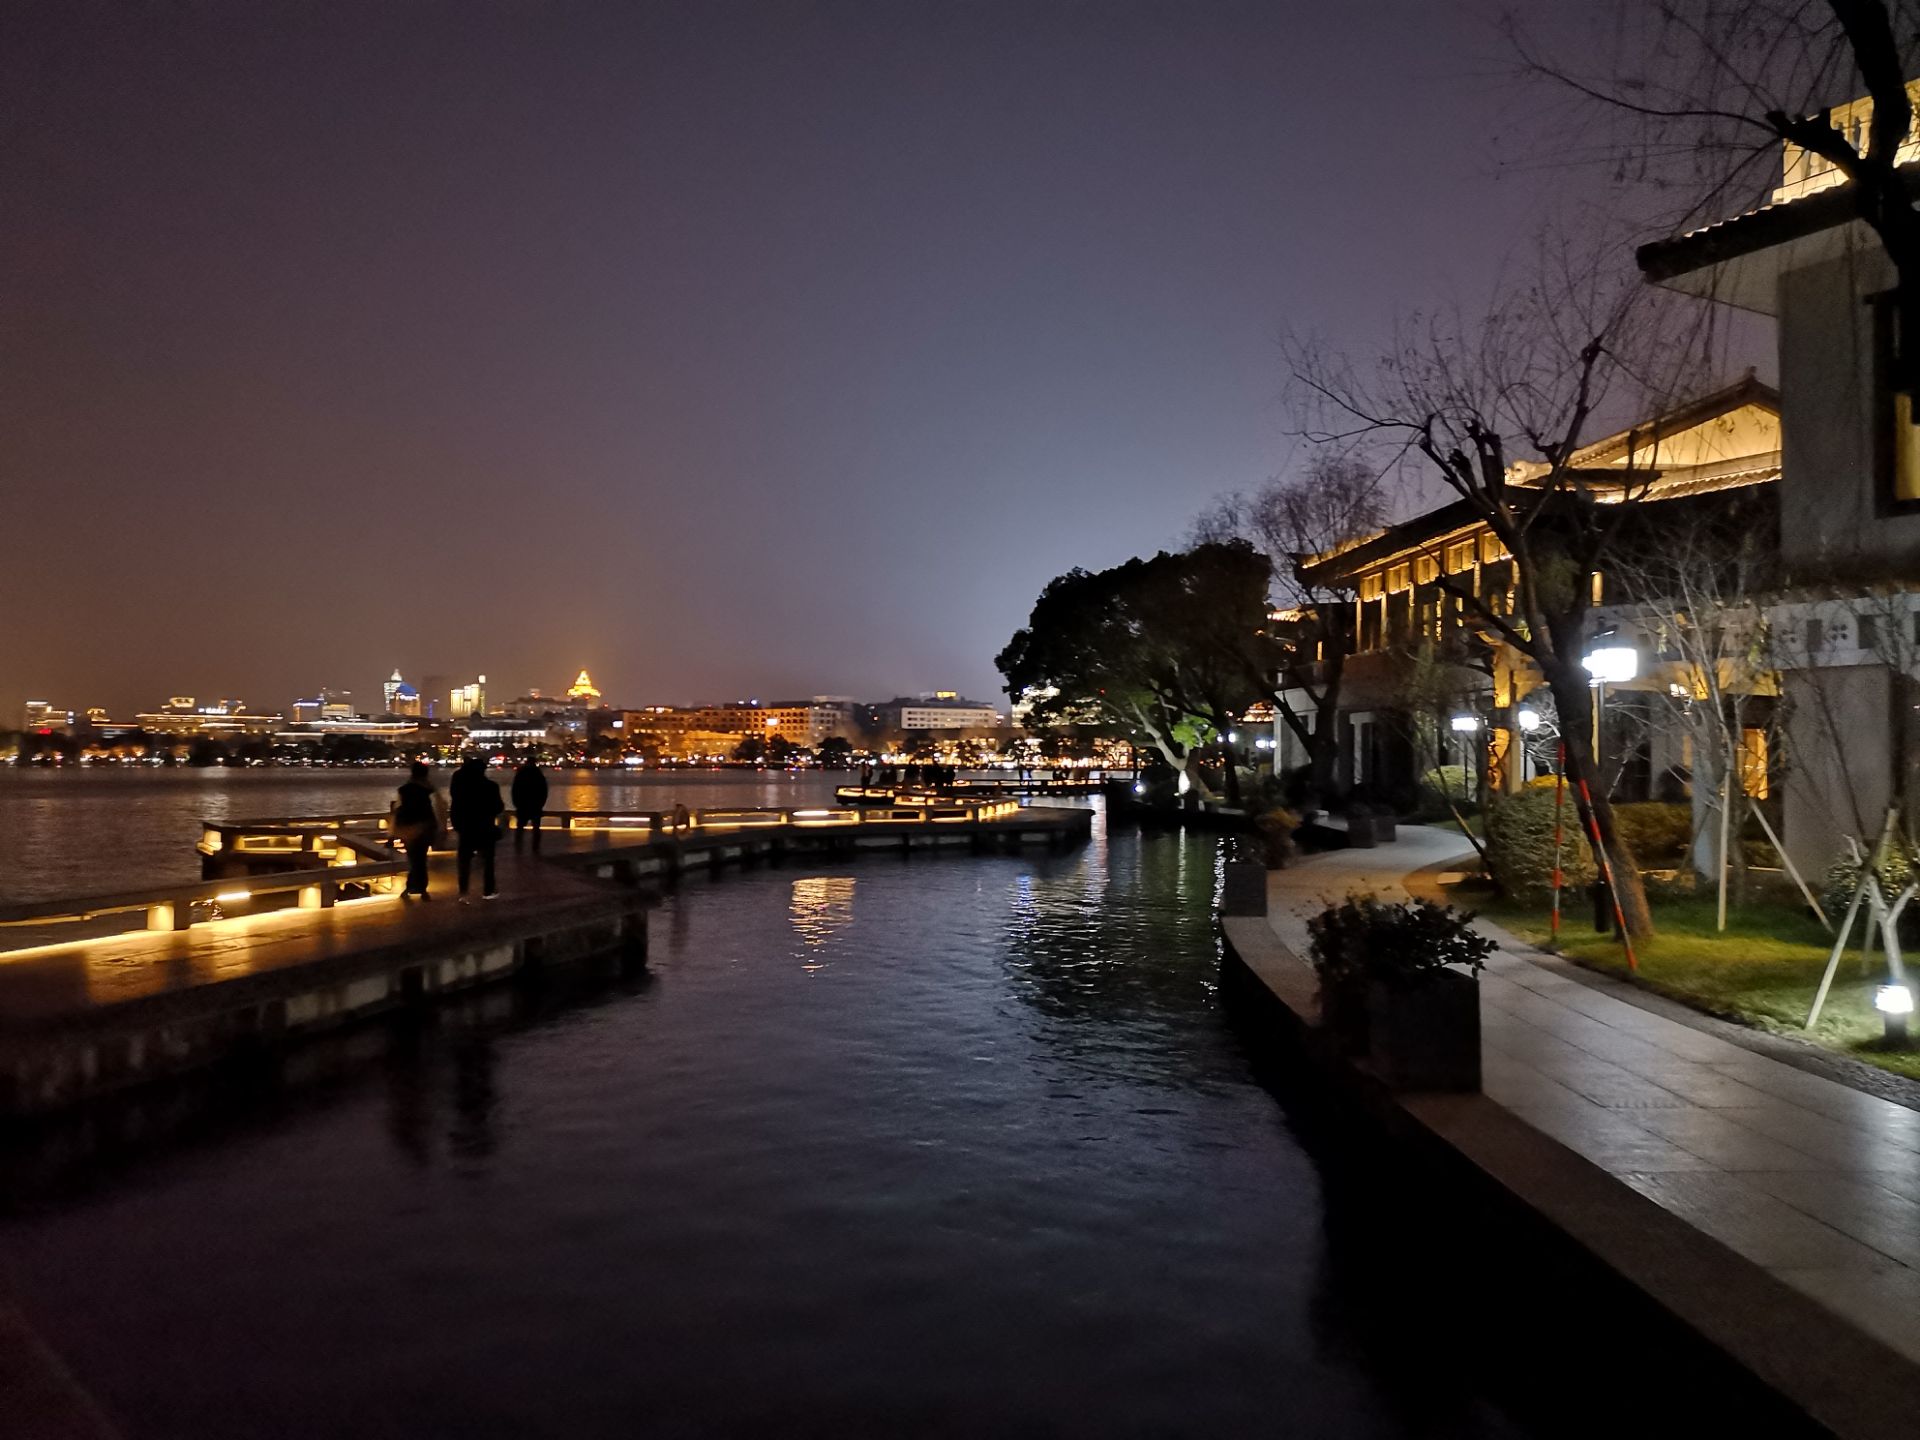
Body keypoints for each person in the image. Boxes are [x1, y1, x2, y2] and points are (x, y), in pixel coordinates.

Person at [448, 755, 505, 902]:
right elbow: (498, 807)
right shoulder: (491, 786)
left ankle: (463, 892)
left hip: (466, 828)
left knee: (464, 861)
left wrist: (457, 824)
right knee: (488, 861)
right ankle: (488, 890)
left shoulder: (460, 788)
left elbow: (455, 807)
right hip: (486, 827)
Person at [391, 761, 445, 899]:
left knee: (414, 858)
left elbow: (397, 810)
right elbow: (440, 807)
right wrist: (441, 827)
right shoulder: (430, 791)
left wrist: (392, 833)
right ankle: (420, 888)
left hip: (408, 829)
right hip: (426, 828)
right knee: (420, 858)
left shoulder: (403, 790)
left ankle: (413, 887)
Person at [511, 752, 548, 852]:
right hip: (535, 805)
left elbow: (515, 789)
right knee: (536, 828)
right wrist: (541, 803)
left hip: (522, 805)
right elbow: (544, 790)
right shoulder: (538, 774)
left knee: (520, 828)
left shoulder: (521, 774)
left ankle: (518, 847)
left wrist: (516, 803)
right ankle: (535, 848)